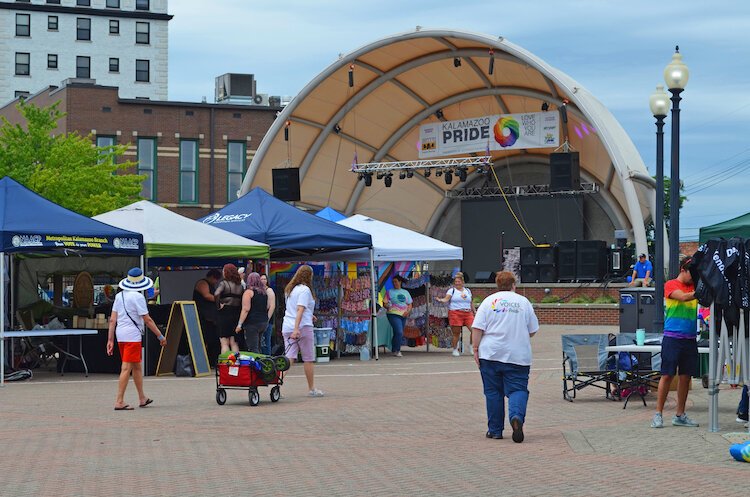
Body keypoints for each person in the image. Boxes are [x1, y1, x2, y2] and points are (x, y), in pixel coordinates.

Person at [471, 271, 539, 442]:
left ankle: (495, 430)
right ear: (513, 285)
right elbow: (532, 330)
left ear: (497, 285)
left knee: (493, 392)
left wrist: (476, 349)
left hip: (491, 353)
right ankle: (516, 416)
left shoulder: (489, 302)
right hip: (518, 355)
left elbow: (477, 328)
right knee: (517, 389)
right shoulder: (523, 302)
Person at [106, 268, 167, 411]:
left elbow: (112, 320)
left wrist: (110, 340)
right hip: (132, 336)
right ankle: (119, 401)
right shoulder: (138, 298)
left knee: (137, 366)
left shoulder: (119, 296)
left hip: (120, 335)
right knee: (126, 367)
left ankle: (142, 398)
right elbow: (147, 319)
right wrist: (160, 335)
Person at [651, 255, 700, 428]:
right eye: (691, 274)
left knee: (686, 377)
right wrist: (702, 291)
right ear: (682, 270)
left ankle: (680, 415)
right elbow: (684, 297)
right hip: (672, 338)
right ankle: (658, 414)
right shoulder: (671, 284)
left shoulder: (694, 286)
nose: (693, 278)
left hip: (690, 339)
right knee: (667, 375)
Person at [282, 265, 324, 397]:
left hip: (287, 325)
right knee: (308, 358)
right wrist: (296, 328)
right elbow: (300, 309)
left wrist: (309, 314)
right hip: (302, 327)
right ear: (309, 276)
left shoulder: (291, 289)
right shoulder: (305, 290)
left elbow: (295, 308)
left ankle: (277, 384)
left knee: (289, 358)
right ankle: (311, 388)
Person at [435, 272, 474, 357]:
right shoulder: (451, 290)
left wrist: (474, 312)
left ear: (462, 282)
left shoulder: (467, 291)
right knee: (456, 333)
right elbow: (446, 299)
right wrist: (440, 300)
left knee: (474, 330)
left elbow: (471, 302)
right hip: (455, 313)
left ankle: (471, 347)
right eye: (456, 282)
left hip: (468, 313)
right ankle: (455, 349)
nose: (457, 283)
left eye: (459, 281)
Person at [236, 272, 271, 353]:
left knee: (253, 347)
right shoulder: (264, 292)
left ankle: (255, 364)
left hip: (252, 323)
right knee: (259, 346)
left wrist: (239, 324)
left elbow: (246, 309)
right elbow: (268, 306)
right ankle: (262, 363)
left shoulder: (248, 292)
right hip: (263, 321)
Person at [194, 269, 221, 367]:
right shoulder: (202, 283)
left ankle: (212, 360)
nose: (216, 282)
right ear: (212, 277)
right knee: (206, 338)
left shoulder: (211, 285)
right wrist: (220, 300)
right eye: (216, 279)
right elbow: (206, 296)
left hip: (210, 317)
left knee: (213, 340)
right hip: (203, 316)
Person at [214, 264, 244, 354]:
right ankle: (236, 364)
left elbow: (216, 294)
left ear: (226, 272)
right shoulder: (240, 285)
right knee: (234, 342)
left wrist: (218, 306)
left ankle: (226, 365)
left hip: (225, 313)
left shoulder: (224, 283)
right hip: (236, 313)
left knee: (224, 342)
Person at [384, 275, 412, 357]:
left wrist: (408, 311)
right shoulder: (389, 292)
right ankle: (397, 350)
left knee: (398, 333)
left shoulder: (405, 292)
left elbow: (410, 304)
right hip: (393, 314)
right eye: (393, 282)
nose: (394, 283)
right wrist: (387, 306)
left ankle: (394, 349)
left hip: (403, 314)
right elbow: (384, 303)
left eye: (396, 281)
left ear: (400, 282)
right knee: (399, 331)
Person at [260, 274, 276, 355]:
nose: (263, 281)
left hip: (267, 320)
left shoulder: (269, 290)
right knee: (261, 342)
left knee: (266, 341)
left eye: (264, 279)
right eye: (261, 279)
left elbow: (272, 306)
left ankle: (268, 358)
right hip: (259, 319)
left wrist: (267, 319)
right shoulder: (258, 290)